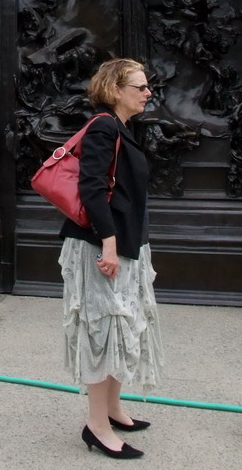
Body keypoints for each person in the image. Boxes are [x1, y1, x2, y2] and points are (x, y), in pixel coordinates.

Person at [59, 58, 163, 459]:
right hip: (100, 246)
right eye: (139, 86)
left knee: (124, 328)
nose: (147, 92)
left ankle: (114, 409)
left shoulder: (121, 129)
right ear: (116, 90)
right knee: (101, 333)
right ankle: (96, 425)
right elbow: (91, 189)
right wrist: (108, 244)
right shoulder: (104, 126)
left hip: (125, 244)